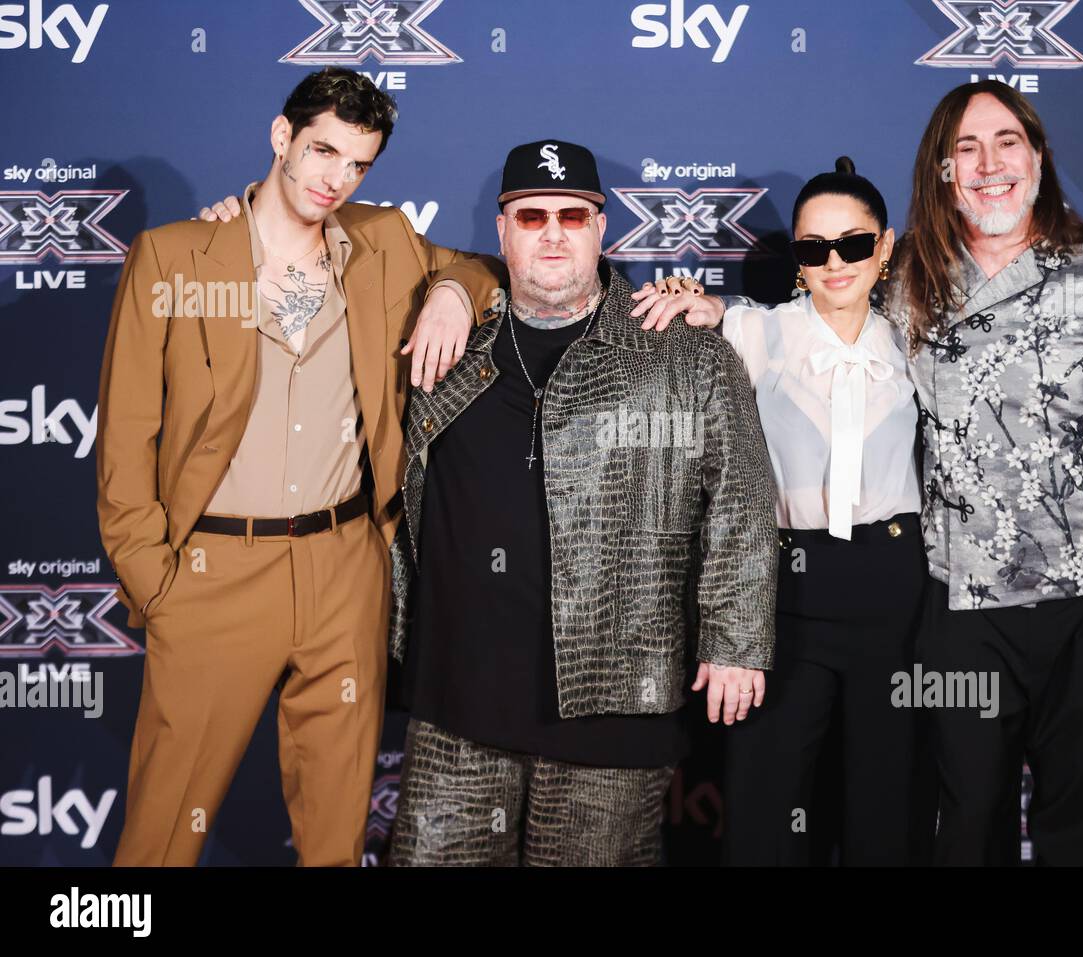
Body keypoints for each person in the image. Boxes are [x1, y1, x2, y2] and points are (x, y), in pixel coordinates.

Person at [100, 67, 501, 866]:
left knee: (335, 828)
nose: (335, 178)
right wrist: (161, 588)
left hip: (343, 567)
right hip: (212, 574)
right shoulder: (174, 257)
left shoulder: (383, 241)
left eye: (357, 163)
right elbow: (123, 443)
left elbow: (484, 269)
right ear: (281, 138)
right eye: (322, 151)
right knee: (160, 835)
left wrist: (453, 293)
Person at [384, 140, 778, 866]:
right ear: (501, 232)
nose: (554, 232)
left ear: (604, 229)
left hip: (616, 706)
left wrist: (735, 641)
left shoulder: (684, 352)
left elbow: (743, 502)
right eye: (531, 216)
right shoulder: (449, 348)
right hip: (455, 709)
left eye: (574, 214)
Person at [892, 80, 1083, 865]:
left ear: (1039, 158)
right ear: (944, 172)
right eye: (967, 148)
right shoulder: (907, 285)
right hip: (962, 615)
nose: (990, 164)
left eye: (1007, 142)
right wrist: (723, 316)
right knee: (964, 831)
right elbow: (819, 331)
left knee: (1082, 839)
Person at [631, 158, 936, 865]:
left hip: (898, 590)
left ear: (885, 247)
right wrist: (688, 299)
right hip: (786, 592)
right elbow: (701, 315)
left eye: (854, 245)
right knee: (766, 808)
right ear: (796, 257)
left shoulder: (919, 339)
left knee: (886, 811)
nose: (835, 263)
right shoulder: (760, 331)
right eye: (812, 248)